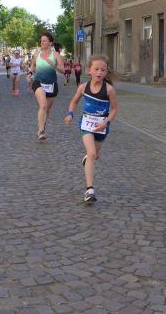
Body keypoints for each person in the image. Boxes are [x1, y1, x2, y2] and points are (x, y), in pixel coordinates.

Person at [64, 54, 119, 203]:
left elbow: (114, 109)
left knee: (94, 156)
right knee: (92, 153)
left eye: (103, 70)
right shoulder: (83, 87)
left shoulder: (109, 89)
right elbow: (74, 101)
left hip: (102, 128)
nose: (99, 72)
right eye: (96, 69)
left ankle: (88, 158)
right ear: (89, 71)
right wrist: (70, 114)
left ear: (106, 72)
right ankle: (89, 190)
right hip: (86, 125)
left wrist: (106, 122)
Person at [28, 32, 65, 140]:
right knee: (43, 106)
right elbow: (32, 67)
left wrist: (54, 65)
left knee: (47, 110)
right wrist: (29, 74)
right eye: (41, 41)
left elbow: (63, 70)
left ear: (50, 43)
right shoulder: (36, 54)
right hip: (38, 82)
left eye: (44, 41)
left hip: (51, 84)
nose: (42, 42)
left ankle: (42, 126)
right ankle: (41, 131)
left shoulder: (56, 55)